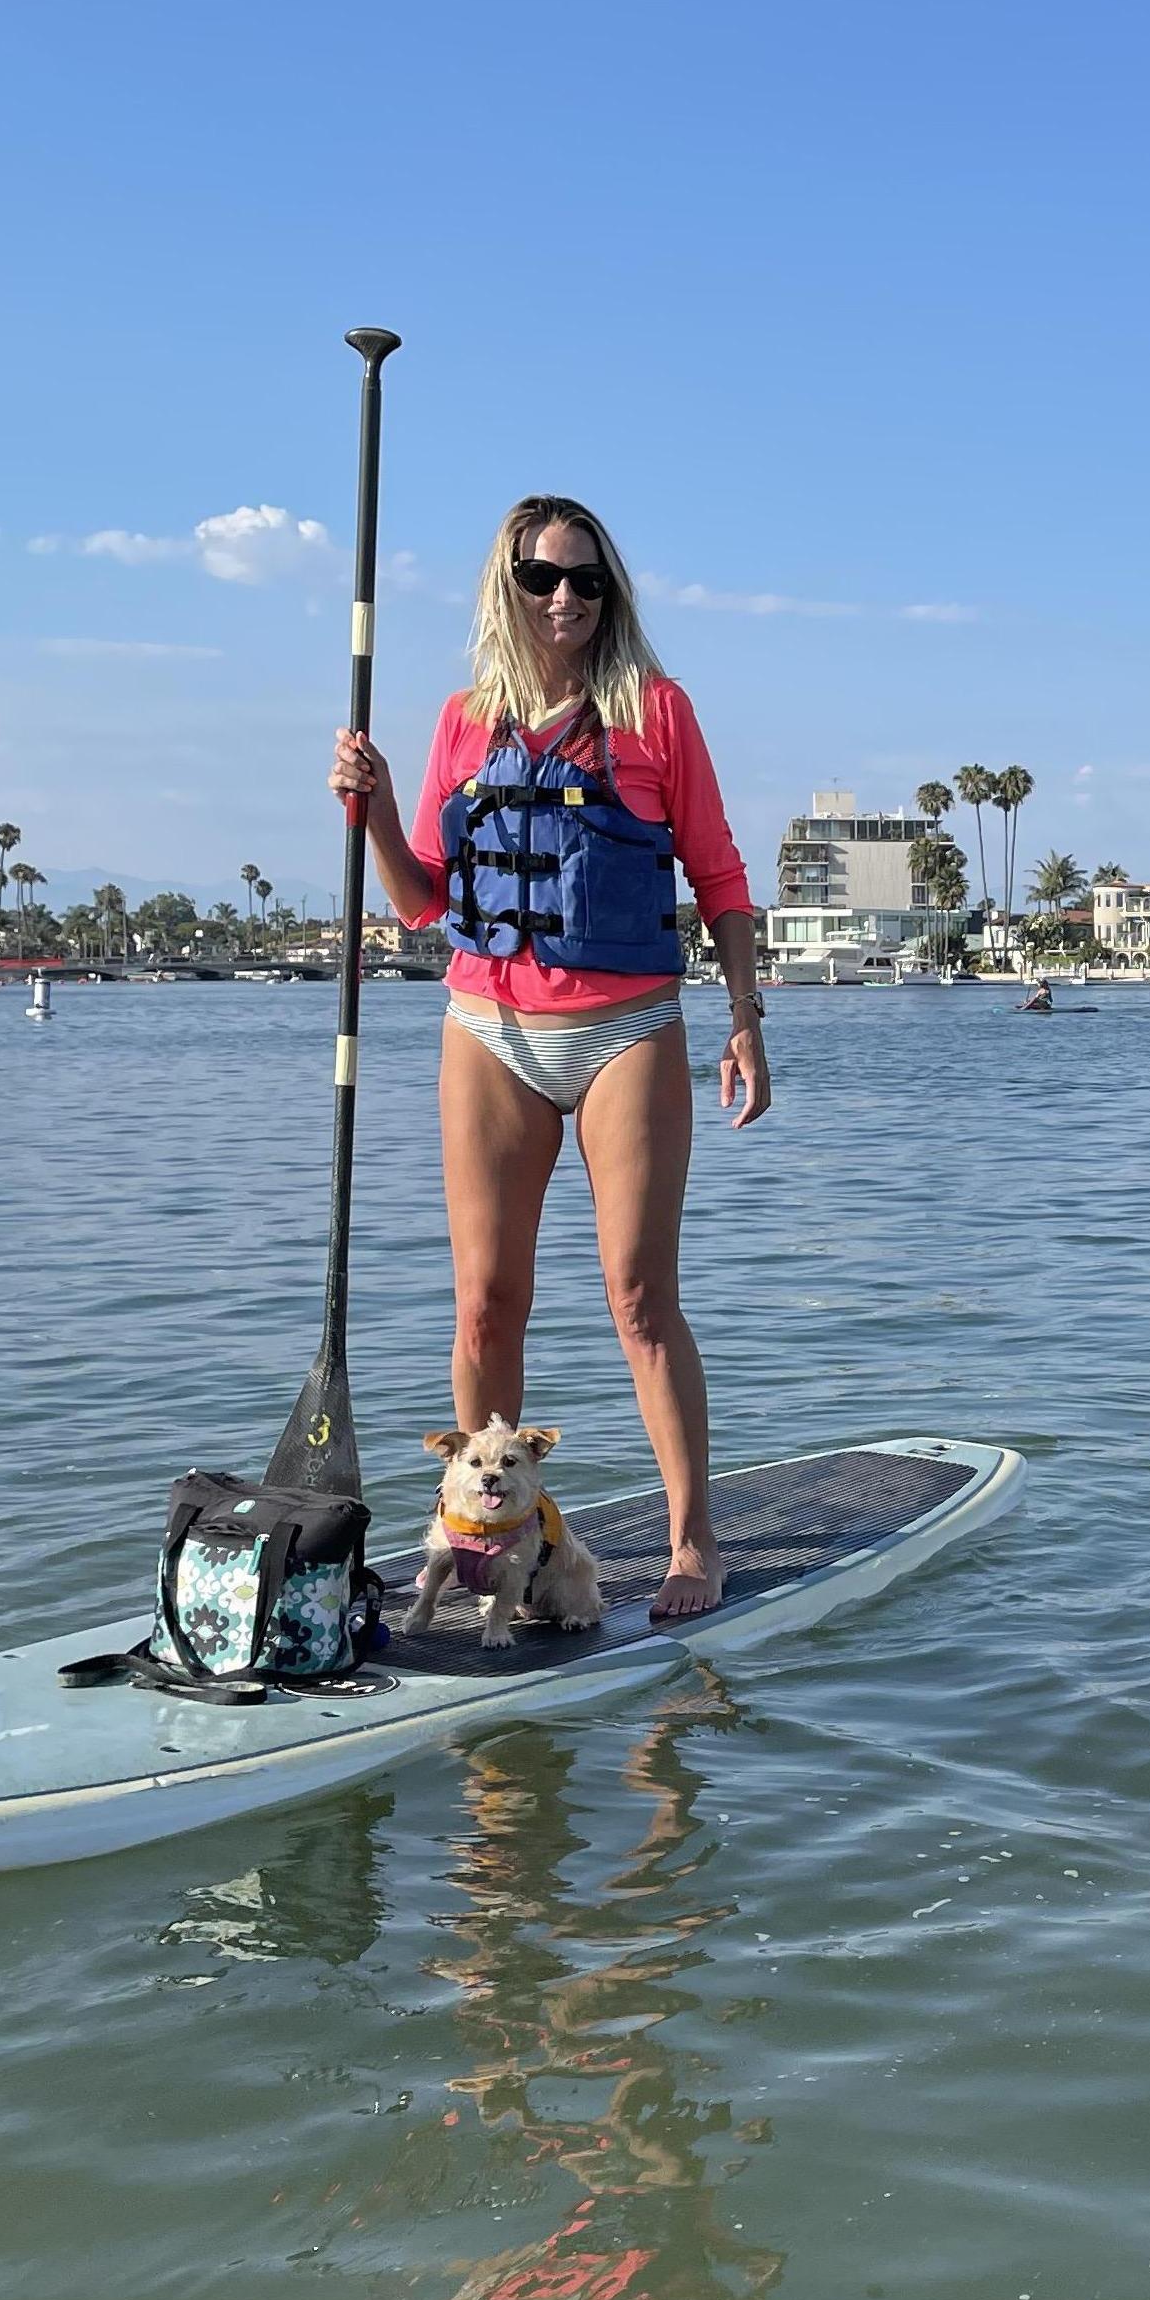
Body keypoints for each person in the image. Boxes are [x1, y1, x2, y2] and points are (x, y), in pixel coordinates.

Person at [331, 496, 768, 1618]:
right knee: (485, 1302)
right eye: (541, 578)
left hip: (626, 1027)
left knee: (638, 1296)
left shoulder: (656, 713)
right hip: (489, 1026)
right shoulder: (464, 720)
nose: (564, 598)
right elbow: (422, 899)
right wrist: (373, 809)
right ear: (507, 588)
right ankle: (486, 1543)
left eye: (585, 581)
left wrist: (744, 1017)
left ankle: (689, 1541)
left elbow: (718, 875)